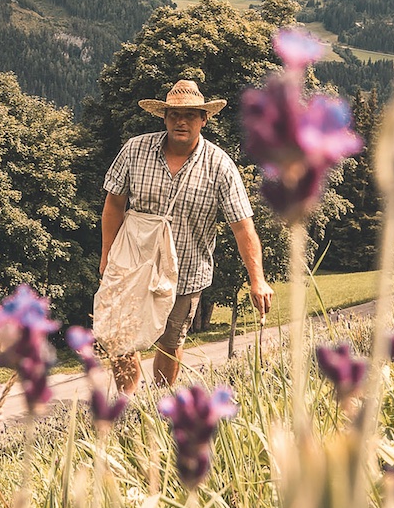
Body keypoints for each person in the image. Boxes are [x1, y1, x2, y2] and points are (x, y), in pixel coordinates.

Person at [99, 79, 271, 394]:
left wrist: (257, 279)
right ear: (163, 117)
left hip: (186, 273)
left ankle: (160, 401)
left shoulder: (220, 166)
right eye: (174, 114)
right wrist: (107, 255)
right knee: (121, 338)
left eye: (191, 115)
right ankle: (128, 402)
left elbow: (243, 226)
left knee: (170, 341)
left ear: (204, 119)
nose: (182, 121)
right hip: (132, 265)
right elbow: (114, 204)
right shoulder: (135, 150)